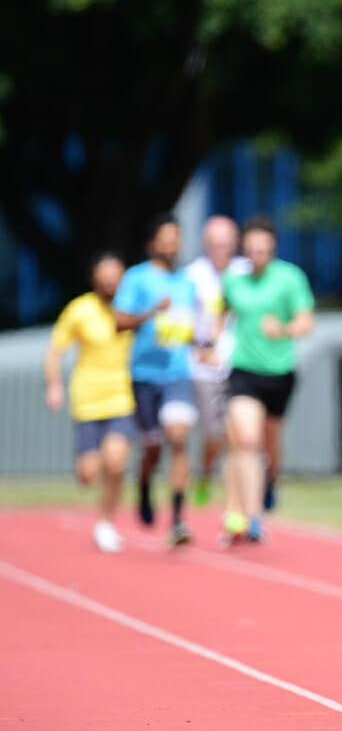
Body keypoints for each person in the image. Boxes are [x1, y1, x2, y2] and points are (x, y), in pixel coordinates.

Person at [220, 214, 315, 543]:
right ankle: (252, 514)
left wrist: (283, 329)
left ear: (272, 248)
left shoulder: (290, 278)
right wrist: (210, 344)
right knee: (245, 440)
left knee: (269, 444)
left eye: (263, 249)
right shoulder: (234, 281)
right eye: (251, 249)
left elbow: (306, 323)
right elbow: (220, 313)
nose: (256, 255)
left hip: (279, 373)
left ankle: (270, 481)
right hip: (243, 371)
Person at [113, 213, 201, 548]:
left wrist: (202, 345)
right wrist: (152, 311)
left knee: (178, 437)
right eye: (167, 238)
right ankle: (146, 482)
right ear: (152, 243)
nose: (173, 245)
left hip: (177, 372)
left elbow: (188, 327)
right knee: (152, 446)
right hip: (144, 375)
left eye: (177, 238)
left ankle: (178, 519)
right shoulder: (136, 279)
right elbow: (120, 321)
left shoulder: (187, 283)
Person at [44, 253, 136, 553]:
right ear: (95, 278)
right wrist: (55, 385)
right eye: (105, 275)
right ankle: (90, 481)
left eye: (116, 275)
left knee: (116, 461)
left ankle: (106, 522)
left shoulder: (130, 309)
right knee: (88, 474)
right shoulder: (80, 309)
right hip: (87, 399)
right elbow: (55, 348)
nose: (110, 281)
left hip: (121, 396)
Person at [185, 214, 251, 506]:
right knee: (214, 436)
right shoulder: (193, 276)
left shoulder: (246, 271)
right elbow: (180, 318)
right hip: (204, 368)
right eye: (213, 243)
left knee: (240, 436)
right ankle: (206, 473)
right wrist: (200, 347)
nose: (219, 248)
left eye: (224, 243)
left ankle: (239, 502)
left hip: (241, 365)